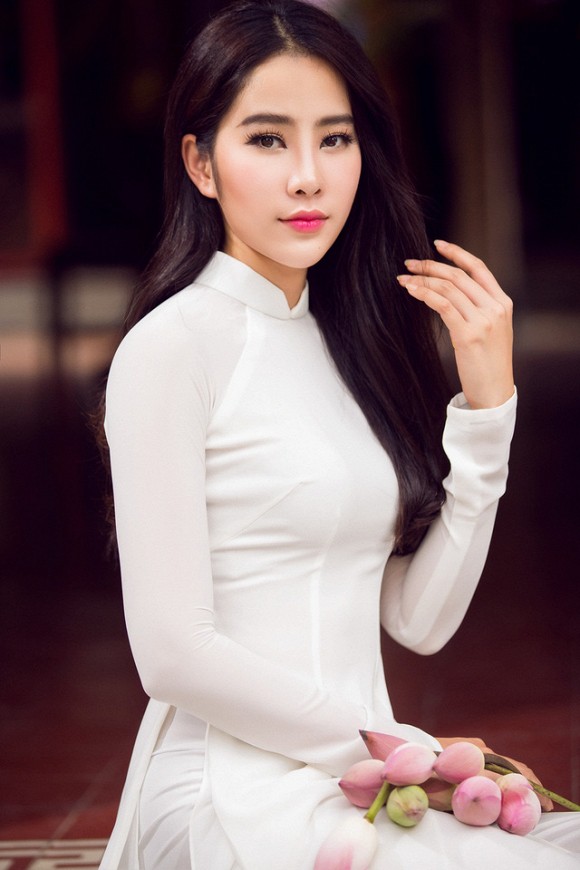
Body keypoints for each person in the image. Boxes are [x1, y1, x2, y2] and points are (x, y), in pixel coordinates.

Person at [99, 1, 579, 867]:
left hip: (363, 777)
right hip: (229, 790)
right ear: (200, 163)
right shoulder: (172, 348)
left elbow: (419, 620)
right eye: (268, 140)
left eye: (335, 139)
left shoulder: (354, 343)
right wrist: (401, 748)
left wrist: (486, 414)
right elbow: (172, 656)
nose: (308, 177)